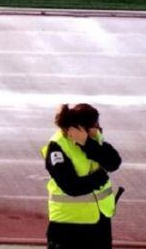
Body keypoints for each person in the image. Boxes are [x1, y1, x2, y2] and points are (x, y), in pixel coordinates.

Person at [42, 103, 122, 249]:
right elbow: (71, 186)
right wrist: (100, 178)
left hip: (99, 223)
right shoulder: (57, 147)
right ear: (80, 128)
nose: (98, 128)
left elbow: (114, 162)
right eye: (95, 124)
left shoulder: (93, 140)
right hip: (68, 226)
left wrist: (87, 143)